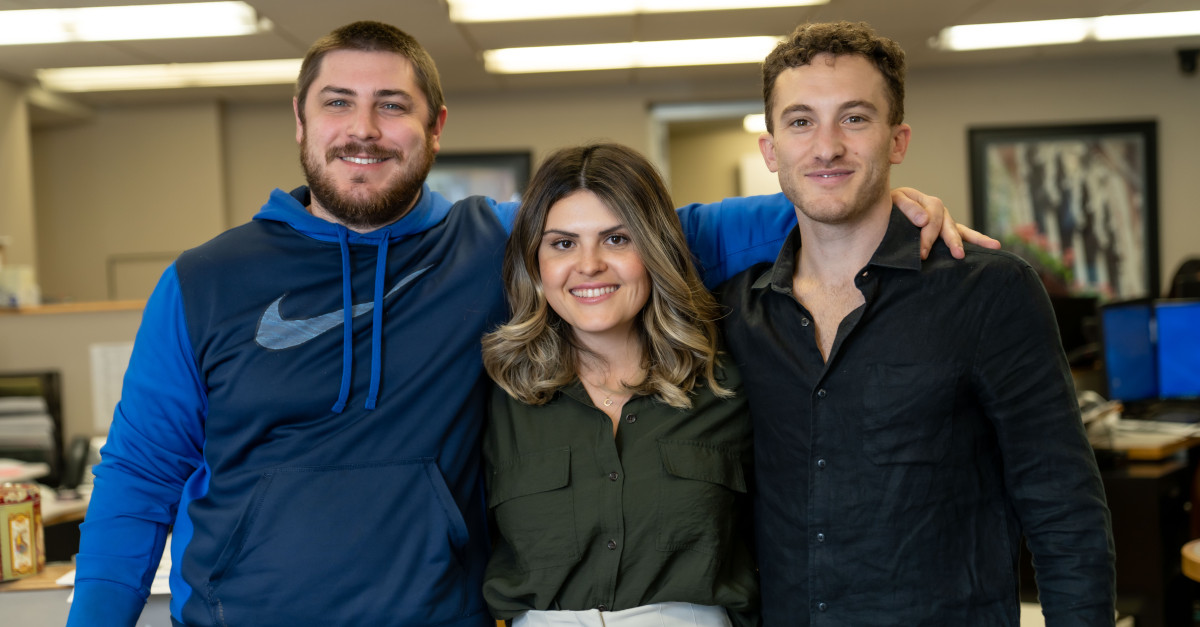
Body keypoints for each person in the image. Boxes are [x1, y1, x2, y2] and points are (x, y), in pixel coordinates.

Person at [66, 20, 987, 627]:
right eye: (338, 104)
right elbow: (139, 478)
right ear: (300, 123)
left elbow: (678, 233)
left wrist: (865, 201)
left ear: (434, 125)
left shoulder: (499, 248)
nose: (364, 128)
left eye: (393, 105)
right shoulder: (205, 281)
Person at [717, 21, 1115, 626]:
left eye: (854, 118)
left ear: (896, 140)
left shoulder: (989, 291)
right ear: (771, 151)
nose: (826, 147)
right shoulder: (735, 312)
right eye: (800, 121)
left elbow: (1064, 507)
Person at [481, 143, 756, 627]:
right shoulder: (496, 395)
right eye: (563, 243)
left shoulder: (727, 383)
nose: (589, 265)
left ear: (654, 250)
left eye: (616, 239)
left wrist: (891, 203)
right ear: (536, 263)